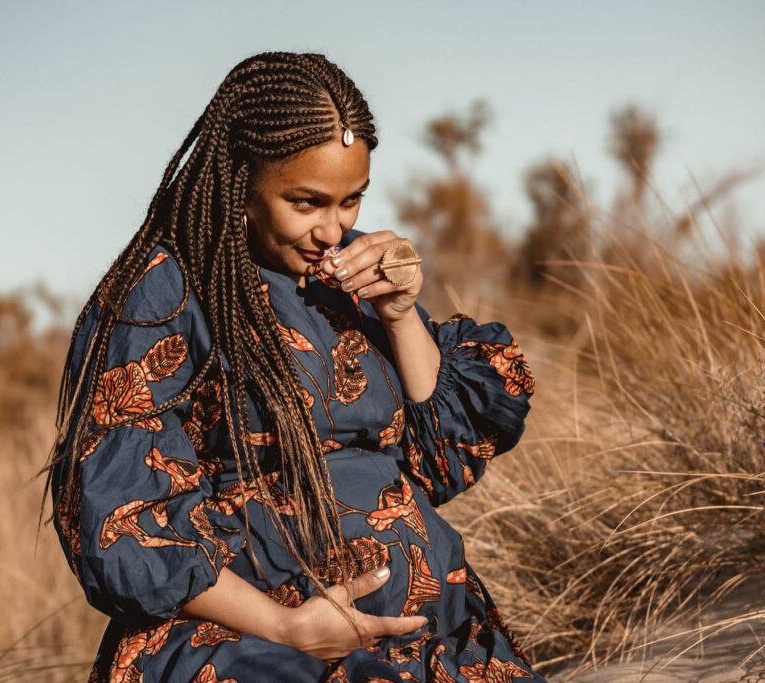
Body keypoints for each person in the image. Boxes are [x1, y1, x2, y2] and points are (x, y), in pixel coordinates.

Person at [44, 51, 546, 682]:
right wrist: (288, 629)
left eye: (352, 200)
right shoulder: (165, 293)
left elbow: (441, 458)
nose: (332, 230)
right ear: (242, 181)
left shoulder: (354, 272)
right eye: (307, 202)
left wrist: (400, 311)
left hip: (430, 638)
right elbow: (121, 517)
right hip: (251, 649)